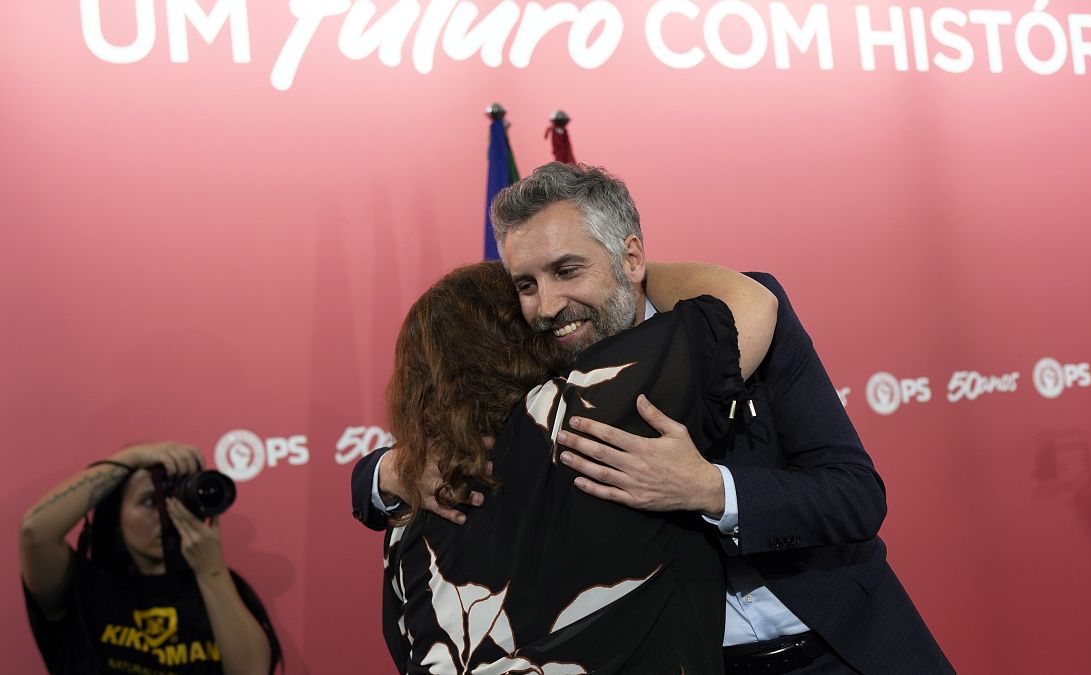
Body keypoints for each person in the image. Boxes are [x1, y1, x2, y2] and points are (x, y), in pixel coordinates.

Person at [355, 162, 954, 673]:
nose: (546, 306)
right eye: (526, 284)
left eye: (568, 270)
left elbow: (856, 495)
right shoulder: (536, 382)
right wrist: (388, 474)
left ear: (632, 254)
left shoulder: (732, 327)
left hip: (842, 642)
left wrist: (711, 490)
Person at [371, 259, 776, 673]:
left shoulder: (407, 497)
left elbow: (405, 647)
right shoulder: (580, 415)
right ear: (520, 334)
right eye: (528, 294)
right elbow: (747, 302)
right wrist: (628, 268)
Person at [19, 441, 281, 675]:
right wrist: (131, 458)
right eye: (150, 502)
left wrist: (211, 570)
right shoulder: (86, 589)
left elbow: (252, 671)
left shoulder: (219, 585)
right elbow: (35, 532)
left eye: (172, 501)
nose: (166, 515)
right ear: (116, 518)